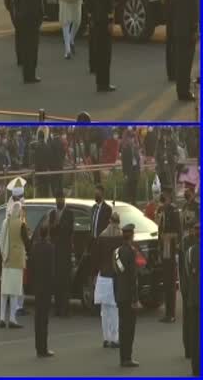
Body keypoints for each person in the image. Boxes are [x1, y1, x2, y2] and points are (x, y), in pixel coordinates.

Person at [170, 0, 199, 101]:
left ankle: (179, 91)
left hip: (177, 26)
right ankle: (185, 92)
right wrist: (195, 28)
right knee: (187, 62)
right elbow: (195, 7)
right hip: (188, 28)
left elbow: (173, 5)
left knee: (179, 60)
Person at [89, 0, 116, 92]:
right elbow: (110, 0)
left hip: (95, 15)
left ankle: (99, 82)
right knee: (106, 53)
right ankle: (105, 83)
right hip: (105, 17)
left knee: (98, 50)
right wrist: (111, 19)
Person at [0, 200, 29, 328]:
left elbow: (1, 238)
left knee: (4, 291)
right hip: (17, 261)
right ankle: (12, 319)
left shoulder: (6, 222)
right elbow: (27, 242)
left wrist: (4, 254)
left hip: (7, 260)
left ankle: (1, 318)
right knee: (15, 291)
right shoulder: (21, 224)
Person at [95, 212, 122, 348]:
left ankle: (106, 338)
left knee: (104, 309)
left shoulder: (101, 236)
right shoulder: (121, 237)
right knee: (114, 310)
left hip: (103, 276)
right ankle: (115, 338)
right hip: (115, 277)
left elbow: (97, 258)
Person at [114, 223, 139, 367]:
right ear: (132, 235)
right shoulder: (131, 252)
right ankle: (127, 358)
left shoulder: (117, 252)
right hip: (129, 296)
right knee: (129, 328)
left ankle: (122, 357)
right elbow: (132, 278)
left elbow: (117, 274)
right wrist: (135, 299)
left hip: (120, 294)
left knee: (122, 327)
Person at [30, 224, 55, 357]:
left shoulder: (35, 247)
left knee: (38, 317)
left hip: (37, 285)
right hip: (46, 286)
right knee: (44, 319)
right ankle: (44, 348)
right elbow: (52, 269)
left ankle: (38, 347)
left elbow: (32, 266)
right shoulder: (50, 248)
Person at [157, 186, 181, 323]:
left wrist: (168, 237)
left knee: (170, 281)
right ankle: (167, 312)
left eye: (164, 195)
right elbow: (159, 228)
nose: (162, 197)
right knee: (166, 281)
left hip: (170, 248)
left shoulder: (173, 210)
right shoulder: (162, 210)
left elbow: (177, 231)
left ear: (169, 196)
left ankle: (171, 313)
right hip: (163, 247)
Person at [49, 191, 74, 317]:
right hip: (55, 251)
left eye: (61, 199)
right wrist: (55, 225)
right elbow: (50, 230)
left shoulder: (69, 213)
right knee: (56, 281)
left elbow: (69, 229)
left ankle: (65, 308)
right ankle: (57, 307)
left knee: (65, 281)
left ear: (64, 200)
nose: (59, 201)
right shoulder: (53, 214)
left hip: (65, 251)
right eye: (57, 199)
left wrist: (58, 225)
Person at [185, 223, 200, 375]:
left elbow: (188, 272)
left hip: (194, 298)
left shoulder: (189, 251)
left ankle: (195, 368)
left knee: (195, 334)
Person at [121, 131, 141, 205]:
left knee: (135, 189)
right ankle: (128, 203)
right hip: (129, 172)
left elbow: (138, 160)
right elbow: (124, 163)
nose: (131, 140)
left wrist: (139, 171)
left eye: (132, 138)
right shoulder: (125, 149)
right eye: (130, 138)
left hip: (135, 170)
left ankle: (134, 203)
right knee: (129, 188)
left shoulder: (136, 148)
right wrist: (125, 174)